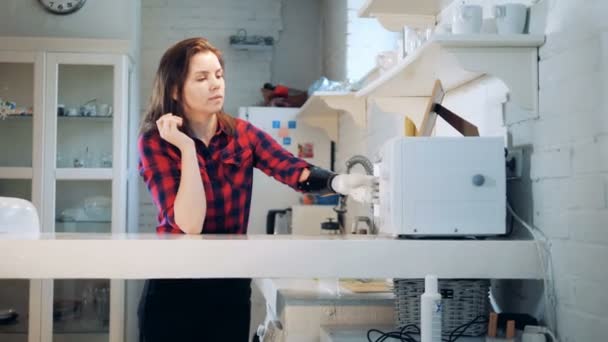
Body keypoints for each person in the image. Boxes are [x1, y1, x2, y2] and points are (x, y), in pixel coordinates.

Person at [137, 37, 376, 342]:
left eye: (218, 75)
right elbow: (190, 223)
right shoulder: (155, 142)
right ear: (174, 89)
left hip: (229, 285)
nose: (215, 85)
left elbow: (291, 168)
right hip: (173, 286)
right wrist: (186, 147)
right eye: (201, 78)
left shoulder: (242, 134)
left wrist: (337, 182)